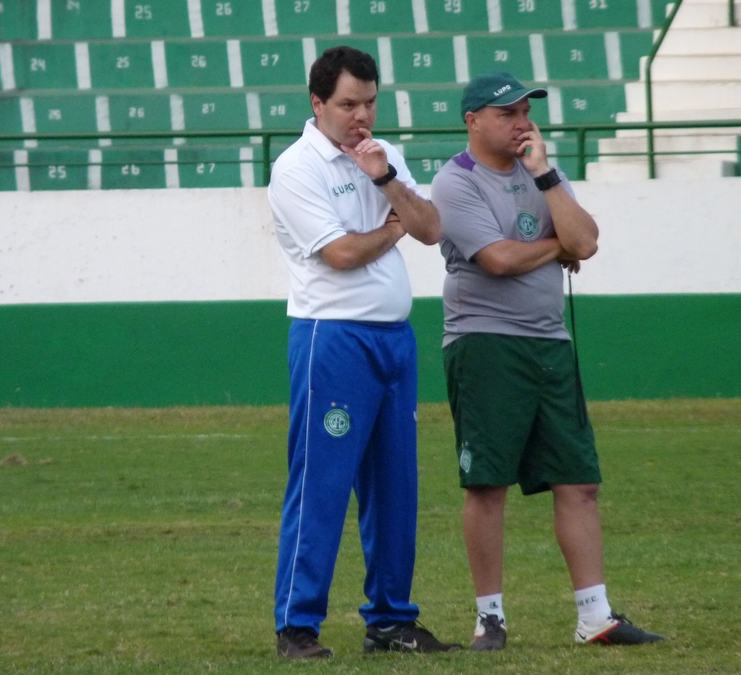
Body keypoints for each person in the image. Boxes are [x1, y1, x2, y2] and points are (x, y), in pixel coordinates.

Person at [430, 71, 666, 651]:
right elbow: (499, 259)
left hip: (550, 343)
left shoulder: (543, 174)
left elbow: (586, 241)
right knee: (487, 484)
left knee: (579, 481)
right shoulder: (454, 181)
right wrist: (558, 247)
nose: (522, 122)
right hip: (485, 344)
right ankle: (489, 619)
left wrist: (546, 176)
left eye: (525, 111)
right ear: (473, 121)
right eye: (507, 112)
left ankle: (595, 616)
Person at [267, 46, 461, 659]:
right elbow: (342, 254)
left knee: (395, 487)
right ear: (317, 103)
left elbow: (431, 228)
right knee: (321, 483)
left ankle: (391, 621)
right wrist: (392, 225)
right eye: (349, 104)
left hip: (393, 340)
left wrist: (385, 180)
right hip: (333, 338)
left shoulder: (384, 154)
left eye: (371, 103)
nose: (362, 116)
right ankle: (297, 625)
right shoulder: (296, 169)